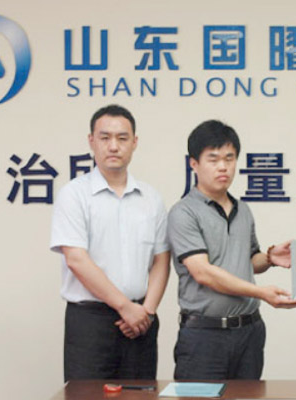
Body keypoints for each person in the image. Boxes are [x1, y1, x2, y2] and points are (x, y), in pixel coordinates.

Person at [168, 119, 296, 380]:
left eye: (229, 158)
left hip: (250, 332)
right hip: (204, 336)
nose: (223, 167)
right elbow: (203, 272)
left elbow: (248, 261)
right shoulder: (183, 212)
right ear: (194, 164)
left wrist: (269, 258)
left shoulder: (243, 209)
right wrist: (261, 293)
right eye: (213, 159)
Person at [50, 104, 170, 381]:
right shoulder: (74, 195)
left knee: (140, 396)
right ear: (91, 141)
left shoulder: (151, 198)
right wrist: (125, 308)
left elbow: (161, 260)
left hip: (141, 321)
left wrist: (147, 311)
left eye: (122, 138)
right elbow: (76, 260)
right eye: (105, 138)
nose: (113, 146)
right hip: (90, 322)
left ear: (134, 142)